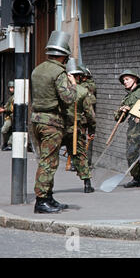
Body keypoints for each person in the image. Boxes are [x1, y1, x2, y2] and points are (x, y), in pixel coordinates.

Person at [31, 30, 77, 214]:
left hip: (36, 120)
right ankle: (41, 201)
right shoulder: (59, 72)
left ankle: (48, 198)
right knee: (48, 162)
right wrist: (73, 85)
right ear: (63, 57)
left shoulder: (37, 69)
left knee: (46, 160)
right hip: (52, 123)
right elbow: (68, 98)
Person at [62, 58, 96, 193]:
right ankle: (87, 183)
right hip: (76, 128)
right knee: (81, 155)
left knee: (50, 158)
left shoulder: (59, 90)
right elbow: (90, 114)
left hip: (58, 127)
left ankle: (46, 189)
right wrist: (92, 128)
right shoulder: (82, 91)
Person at [114, 69, 140, 188]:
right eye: (123, 80)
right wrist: (121, 111)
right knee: (131, 154)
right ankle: (136, 179)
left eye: (127, 79)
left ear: (134, 79)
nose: (125, 82)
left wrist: (138, 113)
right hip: (133, 130)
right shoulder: (127, 98)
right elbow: (117, 118)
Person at [0, 81, 14, 151]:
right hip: (9, 116)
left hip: (11, 117)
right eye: (10, 88)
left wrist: (3, 110)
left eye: (12, 88)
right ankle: (8, 144)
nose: (11, 89)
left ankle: (9, 144)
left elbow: (12, 108)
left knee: (4, 130)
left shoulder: (15, 97)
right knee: (8, 131)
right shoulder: (11, 97)